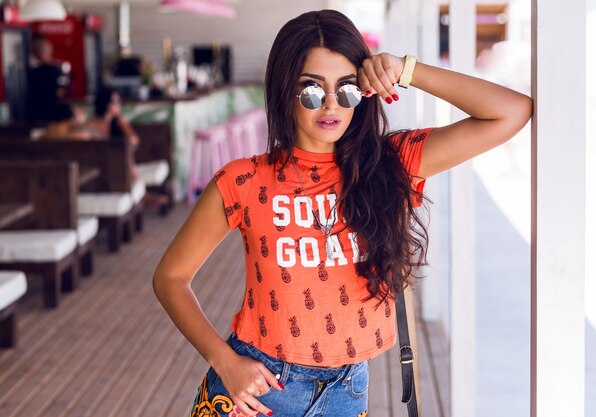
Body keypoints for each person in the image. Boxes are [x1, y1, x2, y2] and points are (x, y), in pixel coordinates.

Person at [153, 9, 532, 417]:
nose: (331, 105)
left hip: (347, 390)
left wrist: (407, 70)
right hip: (257, 388)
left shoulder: (392, 163)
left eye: (347, 89)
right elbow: (170, 277)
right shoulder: (244, 181)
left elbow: (510, 111)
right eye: (312, 91)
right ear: (285, 92)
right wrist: (223, 361)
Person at [26, 35, 70, 124]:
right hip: (35, 116)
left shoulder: (52, 70)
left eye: (43, 48)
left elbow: (62, 91)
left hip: (50, 116)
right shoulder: (33, 71)